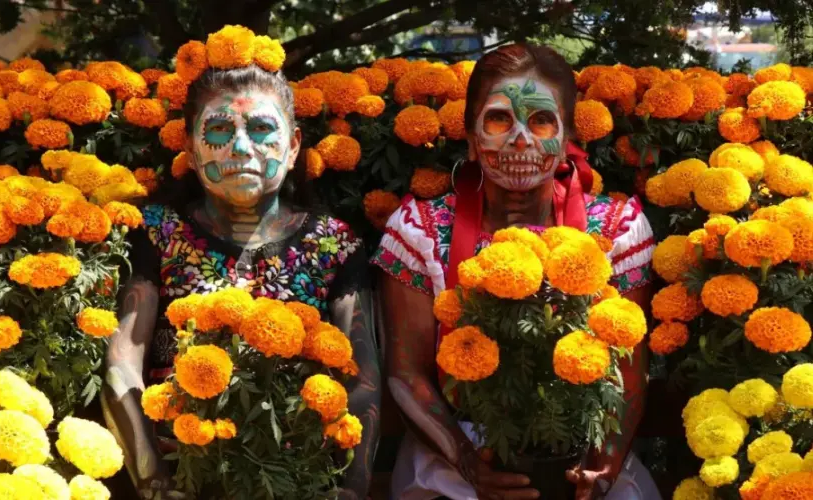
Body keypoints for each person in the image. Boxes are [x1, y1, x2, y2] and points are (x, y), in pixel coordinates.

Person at [372, 43, 659, 500]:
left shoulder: (616, 230)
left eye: (541, 120)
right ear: (470, 136)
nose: (520, 139)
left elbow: (629, 373)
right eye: (500, 119)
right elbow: (406, 373)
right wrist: (469, 463)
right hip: (452, 458)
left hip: (583, 448)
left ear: (566, 139)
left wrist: (600, 469)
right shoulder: (419, 231)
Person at [101, 60, 381, 499]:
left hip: (299, 482)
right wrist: (154, 481)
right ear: (192, 152)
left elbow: (363, 381)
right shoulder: (155, 233)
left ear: (292, 148)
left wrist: (353, 488)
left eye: (261, 129)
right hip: (183, 477)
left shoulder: (335, 244)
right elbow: (121, 367)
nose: (240, 147)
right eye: (218, 130)